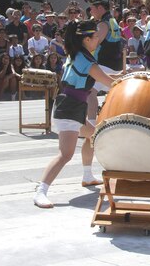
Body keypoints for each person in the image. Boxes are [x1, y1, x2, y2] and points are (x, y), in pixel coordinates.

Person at [34, 20, 118, 209]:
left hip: (72, 107)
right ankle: (41, 192)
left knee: (95, 136)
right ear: (86, 39)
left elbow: (108, 77)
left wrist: (128, 74)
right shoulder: (86, 60)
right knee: (65, 155)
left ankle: (87, 175)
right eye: (95, 37)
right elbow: (109, 81)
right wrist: (130, 77)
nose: (98, 39)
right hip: (69, 109)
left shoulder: (79, 55)